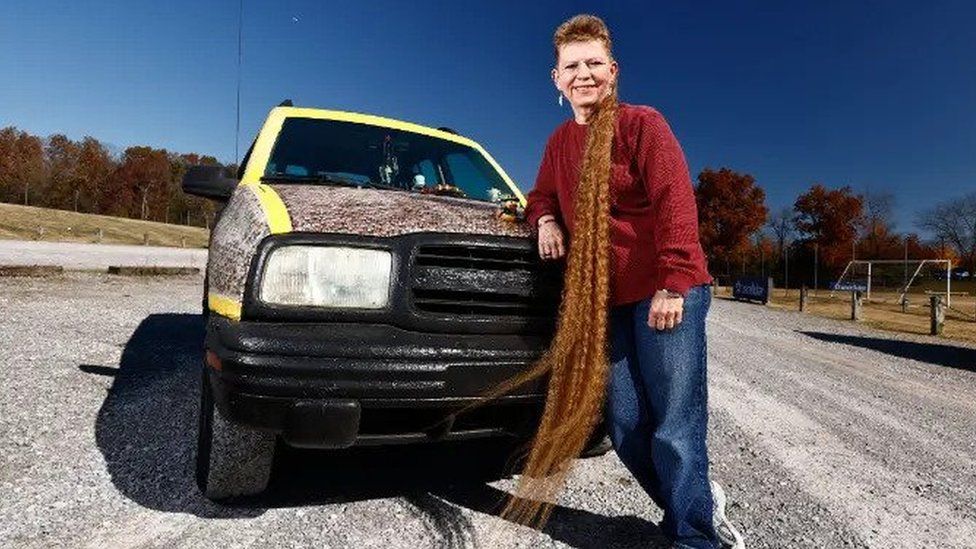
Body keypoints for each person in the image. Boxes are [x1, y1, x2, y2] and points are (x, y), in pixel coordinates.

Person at [520, 14, 746, 549]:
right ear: (556, 78)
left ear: (613, 70)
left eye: (594, 63)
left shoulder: (642, 124)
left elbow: (675, 201)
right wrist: (546, 220)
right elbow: (541, 196)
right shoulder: (558, 143)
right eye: (571, 66)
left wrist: (672, 284)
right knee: (623, 424)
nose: (584, 74)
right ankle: (695, 501)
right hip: (609, 302)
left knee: (674, 421)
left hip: (666, 290)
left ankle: (695, 536)